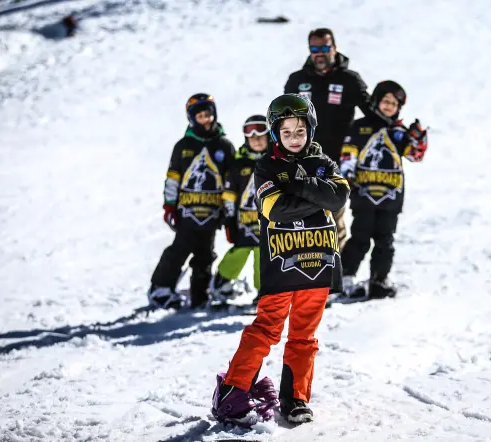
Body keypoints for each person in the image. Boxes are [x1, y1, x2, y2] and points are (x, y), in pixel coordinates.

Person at [211, 94, 350, 425]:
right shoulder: (266, 166)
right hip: (281, 263)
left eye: (299, 132)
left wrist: (300, 186)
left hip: (318, 262)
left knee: (305, 335)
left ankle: (296, 399)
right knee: (266, 329)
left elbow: (340, 196)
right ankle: (232, 390)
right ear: (276, 134)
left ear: (310, 131)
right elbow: (276, 210)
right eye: (286, 133)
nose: (293, 138)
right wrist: (316, 194)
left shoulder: (325, 163)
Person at [339, 81, 428, 298]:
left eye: (393, 103)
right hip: (364, 193)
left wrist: (418, 139)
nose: (389, 106)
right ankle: (344, 277)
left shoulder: (399, 133)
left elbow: (415, 155)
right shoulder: (361, 127)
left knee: (385, 240)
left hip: (391, 196)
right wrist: (346, 176)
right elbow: (348, 151)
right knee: (360, 237)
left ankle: (379, 279)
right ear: (376, 102)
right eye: (385, 101)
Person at [284, 27, 370, 251]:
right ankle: (302, 275)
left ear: (334, 48)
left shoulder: (349, 79)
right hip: (302, 162)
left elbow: (371, 113)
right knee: (299, 220)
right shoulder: (297, 80)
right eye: (315, 48)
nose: (319, 53)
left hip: (335, 162)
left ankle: (334, 276)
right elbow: (282, 118)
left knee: (331, 218)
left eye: (324, 47)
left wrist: (394, 125)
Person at [147, 93, 235, 309]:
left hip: (212, 213)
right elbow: (173, 178)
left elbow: (231, 182)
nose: (205, 120)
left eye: (208, 115)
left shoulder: (224, 146)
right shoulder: (183, 146)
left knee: (205, 255)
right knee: (179, 250)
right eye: (200, 116)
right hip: (186, 211)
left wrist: (229, 212)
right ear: (192, 119)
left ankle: (200, 295)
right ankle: (160, 287)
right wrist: (169, 205)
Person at [209, 115, 270, 304]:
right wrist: (229, 219)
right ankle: (222, 282)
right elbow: (229, 194)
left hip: (269, 221)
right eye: (252, 137)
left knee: (264, 255)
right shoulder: (239, 163)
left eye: (261, 136)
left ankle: (265, 293)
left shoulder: (277, 161)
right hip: (244, 221)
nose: (257, 140)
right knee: (240, 251)